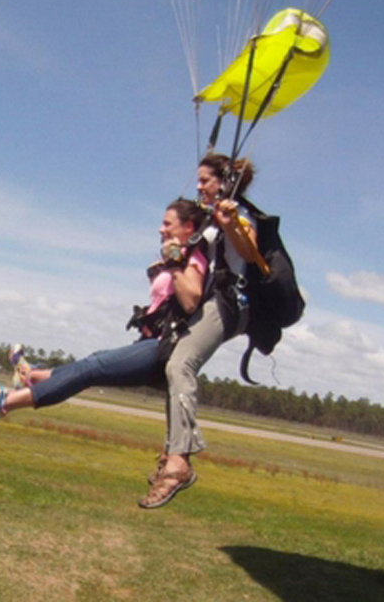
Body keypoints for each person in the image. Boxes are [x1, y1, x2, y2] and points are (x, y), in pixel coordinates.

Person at [0, 199, 208, 508]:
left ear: (188, 227)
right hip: (149, 344)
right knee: (91, 363)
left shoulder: (196, 257)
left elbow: (191, 300)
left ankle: (2, 402)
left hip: (164, 350)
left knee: (92, 367)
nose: (160, 228)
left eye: (167, 223)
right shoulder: (175, 256)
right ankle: (32, 376)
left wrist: (175, 261)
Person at [144, 153, 259, 506]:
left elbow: (251, 253)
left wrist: (229, 225)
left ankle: (180, 462)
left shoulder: (239, 214)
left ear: (224, 182)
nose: (199, 186)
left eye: (205, 180)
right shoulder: (212, 219)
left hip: (231, 302)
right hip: (214, 300)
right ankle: (171, 452)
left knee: (182, 365)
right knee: (171, 364)